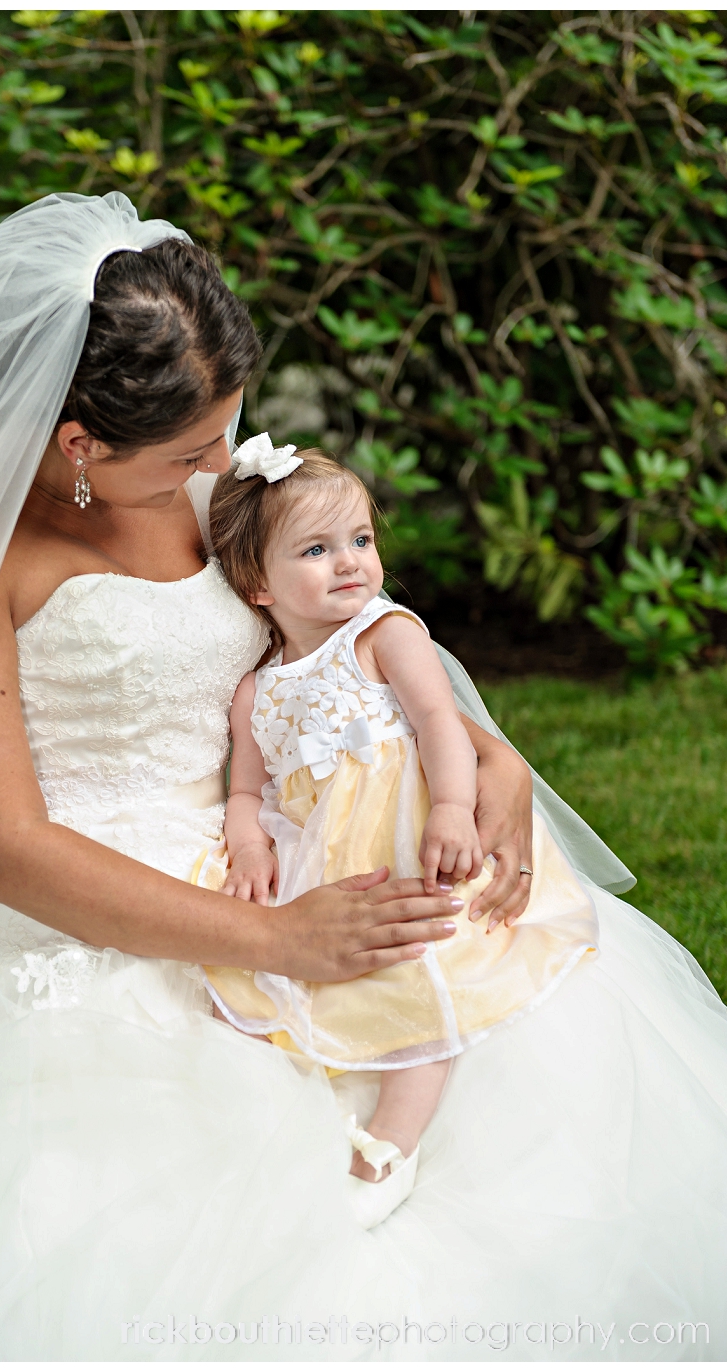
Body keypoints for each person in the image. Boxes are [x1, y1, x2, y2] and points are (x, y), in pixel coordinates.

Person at [0, 191, 725, 1359]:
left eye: (229, 429)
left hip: (289, 833)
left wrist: (485, 753)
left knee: (525, 1038)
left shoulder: (215, 479)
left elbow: (335, 634)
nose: (227, 468)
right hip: (84, 914)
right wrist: (279, 941)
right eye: (193, 452)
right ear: (77, 447)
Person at [202, 442, 599, 1230]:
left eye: (360, 540)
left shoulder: (384, 635)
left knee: (427, 967)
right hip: (326, 861)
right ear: (257, 583)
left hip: (409, 845)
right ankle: (304, 1115)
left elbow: (438, 723)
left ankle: (394, 1138)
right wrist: (248, 840)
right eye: (317, 550)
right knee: (318, 978)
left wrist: (452, 806)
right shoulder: (255, 690)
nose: (350, 563)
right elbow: (246, 786)